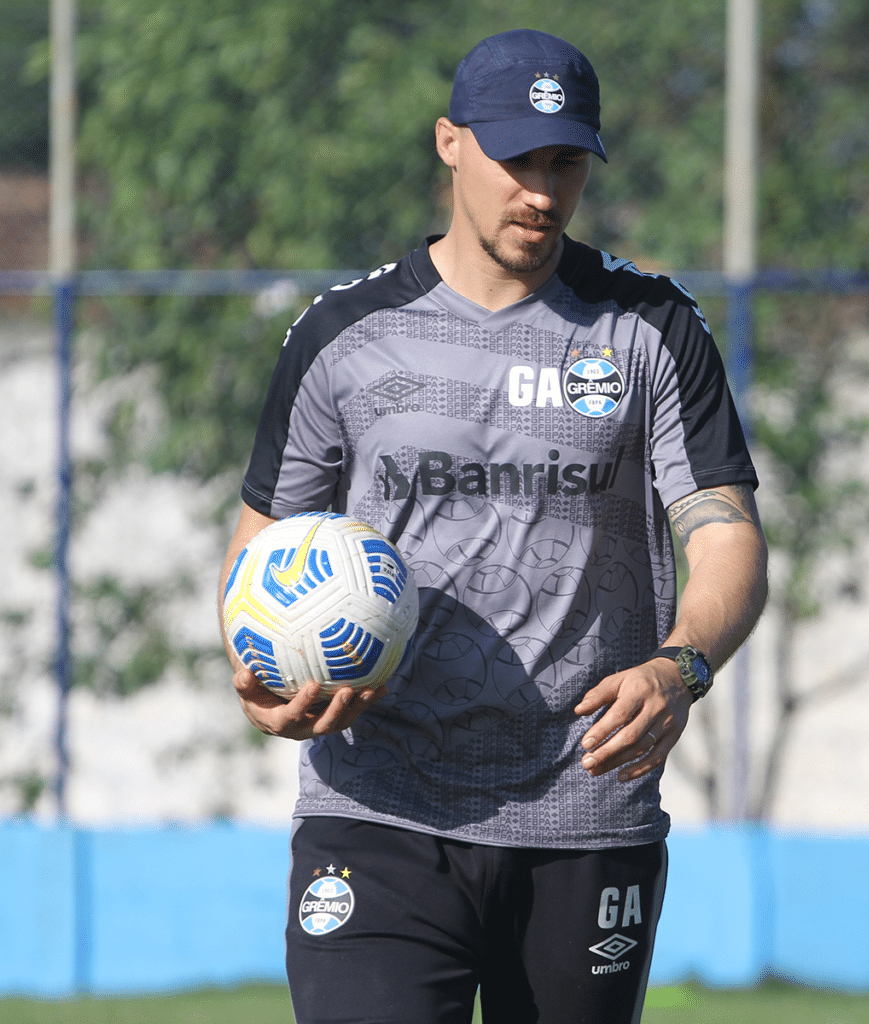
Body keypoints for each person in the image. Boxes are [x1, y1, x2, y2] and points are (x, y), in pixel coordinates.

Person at [219, 28, 768, 1024]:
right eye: (517, 159)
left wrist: (679, 665)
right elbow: (263, 542)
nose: (542, 192)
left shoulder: (651, 326)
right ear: (450, 143)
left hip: (585, 810)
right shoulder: (342, 335)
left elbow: (726, 535)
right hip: (378, 810)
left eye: (565, 163)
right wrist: (257, 671)